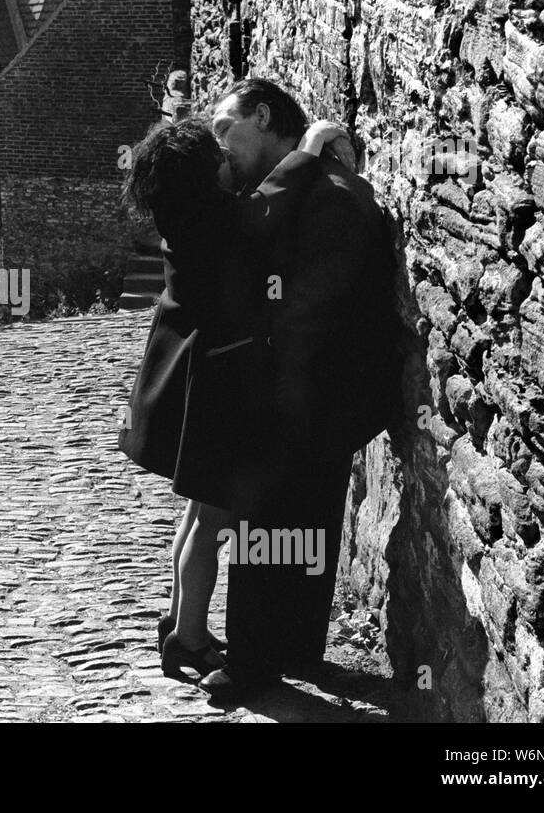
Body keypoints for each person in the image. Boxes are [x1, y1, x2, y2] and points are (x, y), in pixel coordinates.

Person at [117, 112, 357, 682]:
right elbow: (263, 211)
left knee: (199, 511)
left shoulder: (182, 216)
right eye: (218, 158)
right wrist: (310, 147)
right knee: (214, 519)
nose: (229, 159)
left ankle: (179, 625)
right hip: (219, 394)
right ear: (202, 178)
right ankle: (192, 639)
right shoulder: (217, 223)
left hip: (204, 385)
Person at [195, 78, 399, 701]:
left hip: (310, 391)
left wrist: (266, 369)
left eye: (226, 129)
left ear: (264, 117)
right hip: (313, 391)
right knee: (303, 518)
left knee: (267, 525)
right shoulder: (294, 184)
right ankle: (295, 646)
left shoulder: (329, 195)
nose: (218, 145)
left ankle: (255, 662)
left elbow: (311, 304)